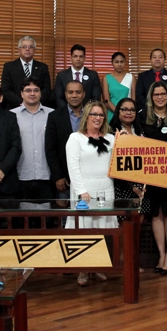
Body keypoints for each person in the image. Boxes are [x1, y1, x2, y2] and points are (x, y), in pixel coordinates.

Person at [65, 101, 118, 285]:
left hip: (106, 189)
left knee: (103, 229)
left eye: (101, 115)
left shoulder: (111, 139)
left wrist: (126, 138)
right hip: (85, 190)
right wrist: (81, 191)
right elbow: (72, 167)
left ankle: (99, 266)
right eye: (94, 114)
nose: (97, 118)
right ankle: (83, 270)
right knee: (85, 230)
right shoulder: (75, 138)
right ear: (86, 116)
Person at [138, 82, 167, 275]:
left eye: (163, 93)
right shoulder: (142, 116)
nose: (160, 97)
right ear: (151, 96)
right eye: (156, 94)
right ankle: (161, 254)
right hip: (150, 173)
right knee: (156, 214)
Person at [11, 78, 55, 200]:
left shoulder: (53, 115)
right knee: (22, 217)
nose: (32, 93)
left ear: (40, 93)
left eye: (36, 90)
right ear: (21, 93)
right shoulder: (11, 116)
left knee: (46, 218)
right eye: (28, 90)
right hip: (20, 176)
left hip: (47, 176)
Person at [46, 81, 85, 200]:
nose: (74, 95)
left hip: (88, 176)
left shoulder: (92, 115)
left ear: (84, 94)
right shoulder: (54, 116)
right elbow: (50, 149)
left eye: (78, 92)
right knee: (65, 217)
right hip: (64, 178)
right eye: (70, 92)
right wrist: (58, 176)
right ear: (65, 94)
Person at [1, 36, 53, 109]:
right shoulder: (9, 67)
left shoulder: (42, 67)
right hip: (15, 108)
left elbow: (46, 89)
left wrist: (35, 103)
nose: (27, 49)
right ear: (19, 49)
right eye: (24, 46)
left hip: (38, 108)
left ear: (34, 50)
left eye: (30, 47)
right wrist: (23, 103)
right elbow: (6, 90)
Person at [102, 51, 135, 121]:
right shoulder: (106, 78)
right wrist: (118, 113)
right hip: (111, 113)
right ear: (112, 63)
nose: (119, 64)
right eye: (116, 62)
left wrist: (126, 113)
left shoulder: (131, 77)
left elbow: (133, 99)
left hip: (128, 114)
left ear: (125, 62)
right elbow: (106, 100)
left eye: (122, 62)